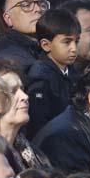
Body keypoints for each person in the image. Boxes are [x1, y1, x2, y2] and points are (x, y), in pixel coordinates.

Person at [26, 8, 80, 138]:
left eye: (76, 41)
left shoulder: (72, 72)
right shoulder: (40, 79)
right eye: (67, 42)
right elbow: (39, 125)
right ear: (46, 45)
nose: (74, 48)